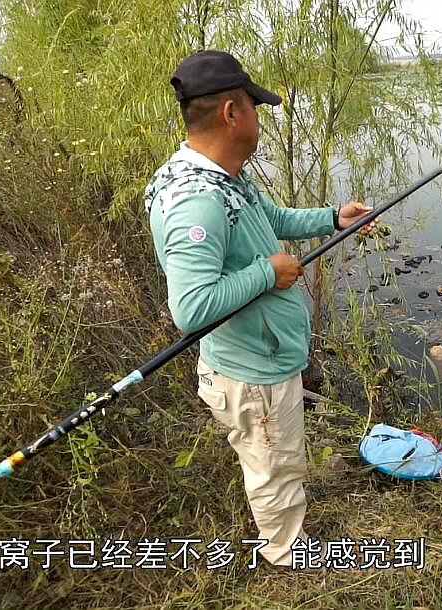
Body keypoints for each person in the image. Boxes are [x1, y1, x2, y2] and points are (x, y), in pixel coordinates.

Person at [144, 50, 376, 567]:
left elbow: (266, 218)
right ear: (232, 113)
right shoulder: (196, 201)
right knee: (272, 464)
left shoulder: (221, 175)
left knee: (272, 455)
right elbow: (192, 307)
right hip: (252, 372)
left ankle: (283, 525)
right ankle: (287, 553)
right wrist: (268, 273)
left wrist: (334, 217)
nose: (259, 116)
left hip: (260, 357)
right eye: (255, 106)